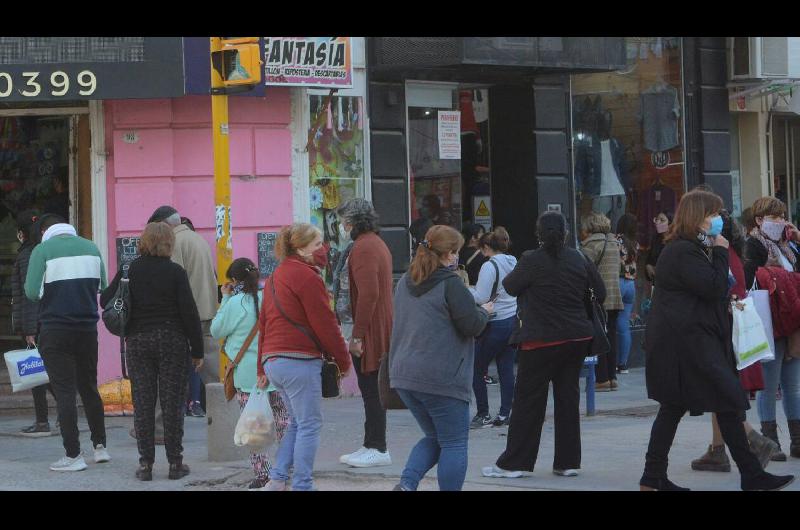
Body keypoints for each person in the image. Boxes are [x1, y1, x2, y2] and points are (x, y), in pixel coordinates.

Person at [639, 189, 794, 491]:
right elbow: (712, 286)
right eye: (712, 214)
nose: (718, 220)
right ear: (698, 217)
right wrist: (722, 251)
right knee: (715, 401)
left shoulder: (693, 248)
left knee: (709, 405)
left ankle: (655, 477)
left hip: (692, 340)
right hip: (686, 344)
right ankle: (747, 475)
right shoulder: (683, 250)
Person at [482, 211, 604, 480]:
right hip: (576, 338)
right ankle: (568, 462)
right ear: (566, 233)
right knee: (568, 399)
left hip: (540, 340)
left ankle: (515, 463)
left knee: (528, 402)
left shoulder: (531, 260)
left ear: (538, 233)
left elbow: (511, 286)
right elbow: (601, 292)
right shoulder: (579, 257)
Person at [389, 225, 491, 491]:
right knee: (454, 442)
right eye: (455, 251)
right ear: (447, 254)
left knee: (435, 437)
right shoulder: (450, 283)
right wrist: (485, 311)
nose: (457, 257)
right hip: (442, 376)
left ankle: (407, 485)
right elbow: (473, 325)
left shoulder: (404, 281)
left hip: (404, 375)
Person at [102, 222, 203, 480]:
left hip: (138, 341)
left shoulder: (130, 269)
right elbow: (189, 312)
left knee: (144, 403)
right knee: (172, 403)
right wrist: (198, 350)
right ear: (170, 243)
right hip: (172, 341)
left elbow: (105, 300)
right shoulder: (176, 272)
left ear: (144, 242)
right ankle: (175, 463)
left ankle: (145, 464)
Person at [257, 223, 351, 491]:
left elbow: (264, 323)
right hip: (298, 361)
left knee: (297, 423)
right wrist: (343, 361)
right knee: (309, 424)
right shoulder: (308, 277)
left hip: (273, 361)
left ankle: (276, 480)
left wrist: (260, 368)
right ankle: (302, 485)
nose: (323, 249)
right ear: (300, 248)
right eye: (317, 244)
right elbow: (326, 324)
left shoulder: (275, 276)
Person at [691, 209, 779, 472]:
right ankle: (717, 449)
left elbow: (718, 290)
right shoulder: (734, 255)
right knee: (720, 390)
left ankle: (753, 438)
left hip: (723, 330)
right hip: (732, 329)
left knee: (721, 390)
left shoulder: (719, 256)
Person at [24, 214, 110, 472]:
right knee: (89, 387)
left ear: (44, 231)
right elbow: (102, 286)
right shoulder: (91, 247)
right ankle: (100, 447)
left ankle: (73, 455)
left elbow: (31, 291)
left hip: (56, 329)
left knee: (64, 392)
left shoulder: (43, 250)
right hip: (87, 330)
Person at [139, 206, 217, 440]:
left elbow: (171, 282)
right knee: (213, 377)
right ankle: (225, 420)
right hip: (208, 312)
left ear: (165, 225)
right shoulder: (197, 238)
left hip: (187, 317)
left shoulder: (176, 243)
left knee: (169, 375)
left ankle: (161, 429)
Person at [211, 257, 289, 490]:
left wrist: (224, 298)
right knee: (284, 422)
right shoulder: (271, 298)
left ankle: (263, 475)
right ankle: (286, 470)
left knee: (253, 426)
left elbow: (216, 331)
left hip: (247, 377)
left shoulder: (235, 303)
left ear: (234, 281)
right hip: (275, 370)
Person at [334, 199, 395, 468]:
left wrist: (357, 336)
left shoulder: (364, 248)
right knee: (371, 389)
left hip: (370, 330)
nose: (342, 226)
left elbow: (369, 293)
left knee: (371, 389)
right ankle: (371, 444)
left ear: (352, 222)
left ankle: (377, 447)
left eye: (344, 221)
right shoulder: (373, 243)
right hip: (374, 325)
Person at [743, 196, 800, 461]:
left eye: (782, 216)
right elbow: (748, 280)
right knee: (769, 384)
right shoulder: (754, 245)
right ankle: (770, 441)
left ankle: (797, 440)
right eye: (773, 217)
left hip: (791, 321)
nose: (779, 221)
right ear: (759, 220)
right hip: (769, 320)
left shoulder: (787, 246)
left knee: (793, 385)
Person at [469, 227, 518, 429]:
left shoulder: (489, 266)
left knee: (476, 368)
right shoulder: (513, 262)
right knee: (506, 369)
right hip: (512, 320)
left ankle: (483, 413)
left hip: (494, 322)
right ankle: (506, 413)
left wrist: (466, 291)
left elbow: (481, 297)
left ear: (487, 247)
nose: (481, 253)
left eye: (482, 250)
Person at [12, 210, 56, 436]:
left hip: (35, 324)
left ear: (22, 233)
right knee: (41, 372)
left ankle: (43, 421)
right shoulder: (35, 251)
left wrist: (29, 329)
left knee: (38, 374)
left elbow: (31, 293)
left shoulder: (29, 254)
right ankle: (55, 417)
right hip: (39, 321)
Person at [580, 211, 623, 391]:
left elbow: (584, 270)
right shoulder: (614, 243)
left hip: (598, 298)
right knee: (611, 336)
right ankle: (612, 377)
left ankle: (601, 378)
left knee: (598, 336)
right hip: (614, 296)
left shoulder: (592, 245)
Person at [177, 216, 203, 418]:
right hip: (202, 311)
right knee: (196, 360)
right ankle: (195, 401)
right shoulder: (200, 243)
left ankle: (185, 403)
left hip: (184, 314)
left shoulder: (178, 245)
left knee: (184, 361)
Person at [615, 213, 639, 374]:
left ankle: (612, 360)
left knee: (611, 323)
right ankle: (623, 364)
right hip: (631, 284)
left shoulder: (617, 240)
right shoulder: (634, 243)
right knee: (624, 325)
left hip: (618, 281)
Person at [645, 210, 673, 286]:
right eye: (657, 219)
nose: (658, 222)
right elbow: (649, 259)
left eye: (662, 220)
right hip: (656, 284)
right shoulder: (656, 239)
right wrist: (648, 266)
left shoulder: (675, 242)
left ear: (670, 224)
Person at [459, 222, 488, 286]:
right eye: (481, 233)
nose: (484, 236)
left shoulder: (457, 252)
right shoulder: (480, 255)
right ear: (473, 238)